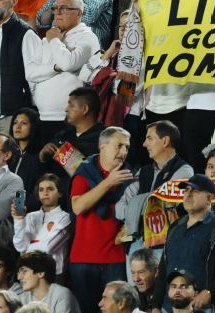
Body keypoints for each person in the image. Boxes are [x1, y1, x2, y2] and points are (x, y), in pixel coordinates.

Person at [68, 126, 132, 313]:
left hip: (116, 258)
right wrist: (108, 183)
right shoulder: (84, 172)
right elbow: (78, 207)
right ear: (103, 147)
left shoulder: (130, 175)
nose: (123, 152)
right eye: (119, 146)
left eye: (127, 147)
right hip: (83, 259)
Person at [157, 173, 215, 312]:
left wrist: (210, 292)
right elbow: (164, 269)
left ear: (209, 199)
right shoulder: (174, 227)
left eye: (195, 191)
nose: (188, 195)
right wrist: (156, 305)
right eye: (186, 190)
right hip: (169, 308)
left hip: (204, 308)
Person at [117, 121, 193, 246]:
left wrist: (134, 208)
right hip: (136, 243)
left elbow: (164, 205)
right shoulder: (143, 171)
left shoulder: (184, 170)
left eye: (149, 138)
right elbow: (119, 209)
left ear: (165, 141)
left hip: (165, 245)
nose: (144, 144)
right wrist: (146, 206)